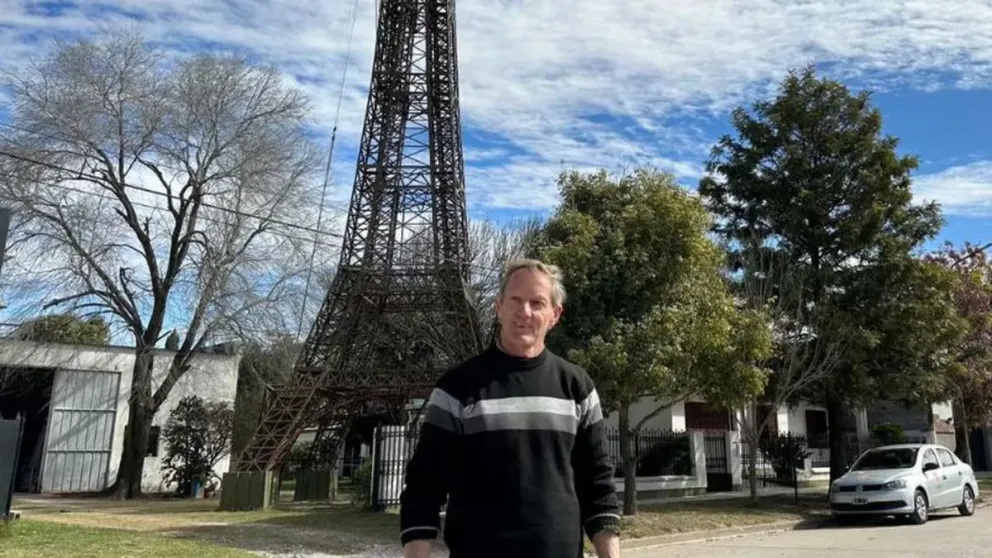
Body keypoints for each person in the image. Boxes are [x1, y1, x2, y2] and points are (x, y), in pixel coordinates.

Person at [399, 259, 622, 558]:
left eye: (537, 303)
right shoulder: (457, 386)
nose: (524, 312)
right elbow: (425, 484)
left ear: (554, 315)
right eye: (515, 300)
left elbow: (598, 485)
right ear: (499, 306)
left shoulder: (577, 386)